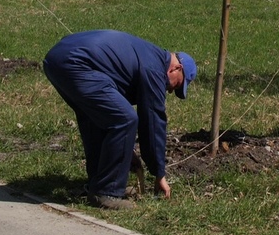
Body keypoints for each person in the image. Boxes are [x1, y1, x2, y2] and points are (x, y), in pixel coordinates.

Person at [42, 30, 197, 210]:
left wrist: (124, 147)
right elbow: (152, 123)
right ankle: (107, 192)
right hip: (77, 64)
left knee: (96, 120)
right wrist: (159, 173)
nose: (170, 91)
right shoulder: (155, 68)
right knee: (126, 119)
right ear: (176, 68)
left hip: (56, 59)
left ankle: (97, 184)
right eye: (176, 85)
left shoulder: (148, 54)